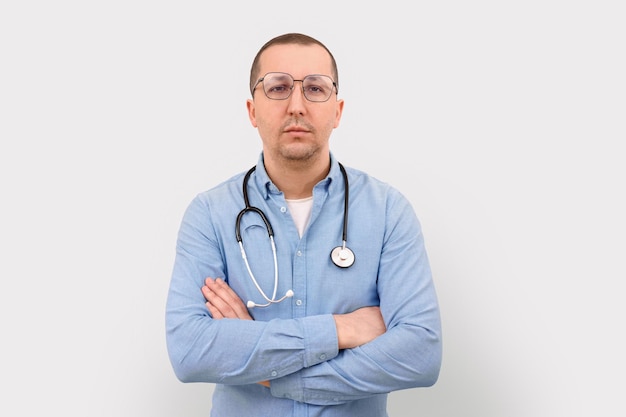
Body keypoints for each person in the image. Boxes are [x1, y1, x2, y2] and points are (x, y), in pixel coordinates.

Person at [165, 32, 442, 417]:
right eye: (278, 87)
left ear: (338, 110)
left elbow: (420, 354)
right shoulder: (210, 214)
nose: (296, 105)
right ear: (252, 110)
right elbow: (190, 350)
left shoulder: (388, 211)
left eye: (315, 88)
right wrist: (340, 330)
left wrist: (270, 374)